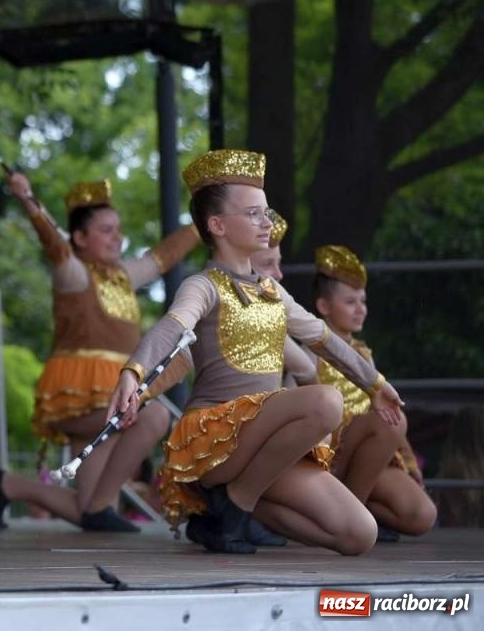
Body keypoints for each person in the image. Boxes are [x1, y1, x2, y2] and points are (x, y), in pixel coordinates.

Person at [107, 150, 402, 556]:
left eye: (266, 213)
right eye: (253, 214)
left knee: (358, 535)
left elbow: (324, 341)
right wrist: (133, 373)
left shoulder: (272, 291)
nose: (266, 223)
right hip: (217, 439)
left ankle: (237, 509)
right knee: (325, 401)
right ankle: (237, 502)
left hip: (264, 449)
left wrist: (376, 385)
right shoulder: (203, 286)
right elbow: (172, 328)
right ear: (218, 225)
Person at [0, 176, 197, 532]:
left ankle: (8, 485)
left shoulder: (124, 277)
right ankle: (100, 507)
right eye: (106, 230)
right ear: (80, 239)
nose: (117, 237)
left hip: (111, 397)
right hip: (82, 400)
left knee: (88, 508)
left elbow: (163, 256)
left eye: (118, 230)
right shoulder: (73, 275)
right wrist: (28, 201)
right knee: (156, 416)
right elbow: (55, 244)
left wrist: (208, 219)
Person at [306, 245, 436, 541]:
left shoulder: (364, 354)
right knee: (388, 421)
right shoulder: (310, 349)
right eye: (350, 301)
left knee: (422, 515)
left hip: (368, 455)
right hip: (332, 454)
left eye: (362, 301)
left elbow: (389, 410)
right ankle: (348, 519)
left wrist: (409, 461)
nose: (360, 308)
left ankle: (357, 511)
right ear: (324, 306)